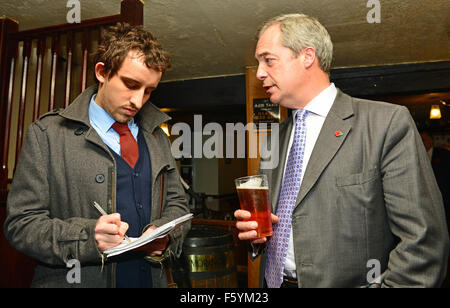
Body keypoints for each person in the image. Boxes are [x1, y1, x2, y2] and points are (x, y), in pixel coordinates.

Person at [235, 13, 449, 288]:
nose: (260, 72)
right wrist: (258, 237)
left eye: (268, 60)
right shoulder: (274, 139)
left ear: (307, 56)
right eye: (258, 63)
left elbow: (425, 243)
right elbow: (285, 220)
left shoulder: (385, 124)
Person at [4, 23, 190, 288]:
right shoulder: (46, 134)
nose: (138, 101)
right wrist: (88, 238)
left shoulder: (157, 136)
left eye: (148, 91)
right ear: (102, 72)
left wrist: (165, 233)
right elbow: (21, 225)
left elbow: (177, 205)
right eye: (130, 84)